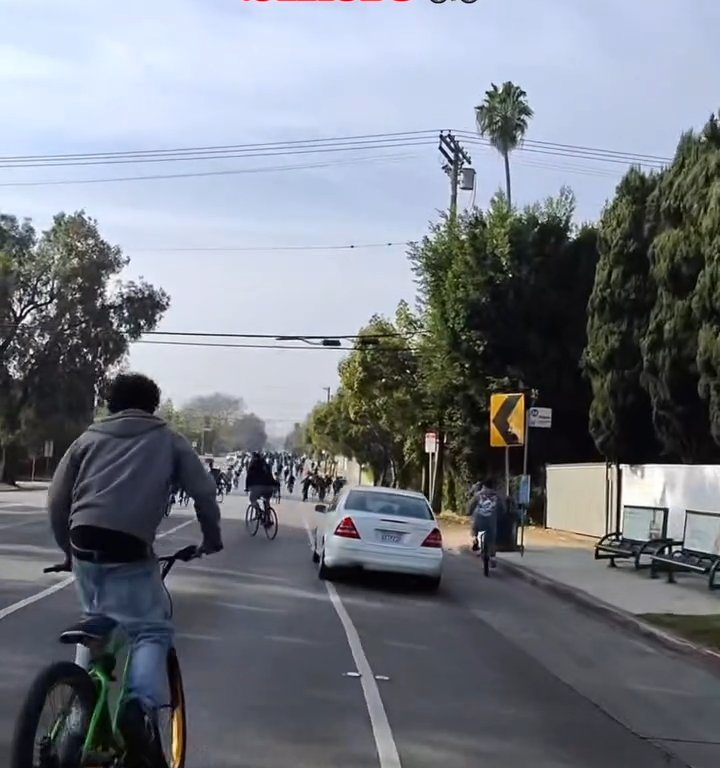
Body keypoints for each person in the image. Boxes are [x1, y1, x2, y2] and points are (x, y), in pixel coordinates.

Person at [47, 373, 223, 768]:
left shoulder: (87, 439)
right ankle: (138, 710)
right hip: (129, 548)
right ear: (152, 405)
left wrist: (67, 550)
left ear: (110, 405)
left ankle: (76, 719)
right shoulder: (168, 440)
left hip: (83, 541)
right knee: (150, 630)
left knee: (95, 624)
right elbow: (204, 492)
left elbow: (57, 498)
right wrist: (211, 538)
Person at [467, 477, 504, 567]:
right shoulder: (497, 496)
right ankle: (492, 557)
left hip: (478, 521)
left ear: (483, 486)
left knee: (474, 528)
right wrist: (500, 515)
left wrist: (468, 512)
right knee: (492, 538)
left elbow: (470, 506)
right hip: (491, 522)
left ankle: (475, 540)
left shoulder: (478, 495)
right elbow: (503, 508)